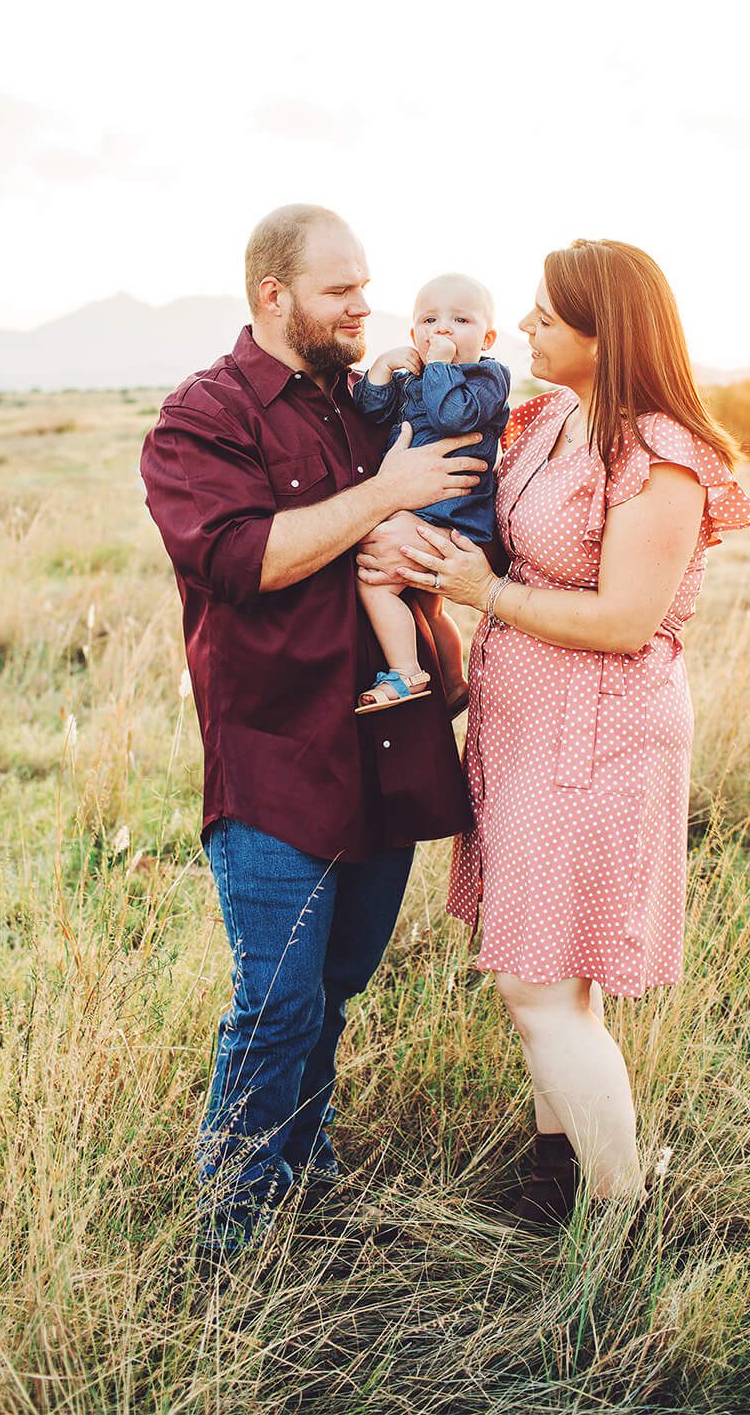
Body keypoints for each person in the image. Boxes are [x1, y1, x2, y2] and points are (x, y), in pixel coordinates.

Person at [369, 238, 750, 1225]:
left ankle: (620, 1211)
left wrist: (476, 589)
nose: (529, 324)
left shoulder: (662, 455)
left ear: (606, 331)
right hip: (519, 718)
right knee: (542, 969)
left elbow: (628, 618)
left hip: (595, 728)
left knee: (534, 980)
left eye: (547, 313)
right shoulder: (546, 418)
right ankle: (557, 1172)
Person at [139, 204, 486, 1258]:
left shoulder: (365, 400)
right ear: (271, 296)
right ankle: (230, 1234)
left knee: (336, 984)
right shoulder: (201, 417)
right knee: (277, 996)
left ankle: (306, 1166)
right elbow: (240, 560)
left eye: (365, 285)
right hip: (274, 748)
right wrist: (386, 492)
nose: (362, 305)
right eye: (341, 290)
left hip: (385, 739)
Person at [349, 274, 508, 713]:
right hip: (423, 512)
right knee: (429, 609)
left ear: (487, 336)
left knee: (375, 584)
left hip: (451, 515)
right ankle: (453, 682)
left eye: (460, 320)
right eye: (429, 320)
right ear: (414, 333)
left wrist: (439, 365)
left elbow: (454, 416)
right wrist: (382, 369)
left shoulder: (488, 378)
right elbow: (372, 412)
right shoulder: (412, 379)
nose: (443, 330)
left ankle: (407, 673)